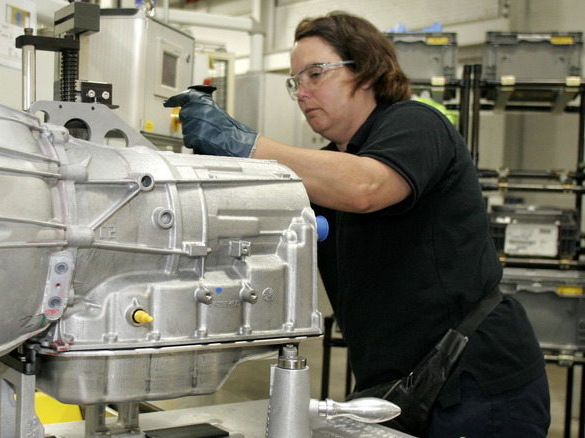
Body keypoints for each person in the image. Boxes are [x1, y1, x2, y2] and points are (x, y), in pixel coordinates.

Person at [164, 10, 550, 437]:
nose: (302, 93)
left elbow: (366, 187)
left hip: (476, 379)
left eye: (315, 74)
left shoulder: (416, 123)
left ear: (365, 71)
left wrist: (244, 145)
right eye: (295, 82)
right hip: (395, 385)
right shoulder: (328, 164)